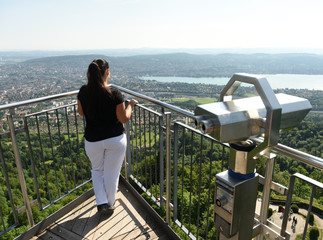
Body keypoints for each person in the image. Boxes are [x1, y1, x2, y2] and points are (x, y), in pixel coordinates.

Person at [77, 58, 138, 214]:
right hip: (114, 139)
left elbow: (81, 112)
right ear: (107, 72)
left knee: (97, 170)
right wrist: (130, 105)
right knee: (111, 173)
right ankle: (109, 204)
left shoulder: (83, 92)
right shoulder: (114, 93)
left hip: (93, 140)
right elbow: (123, 118)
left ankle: (102, 202)